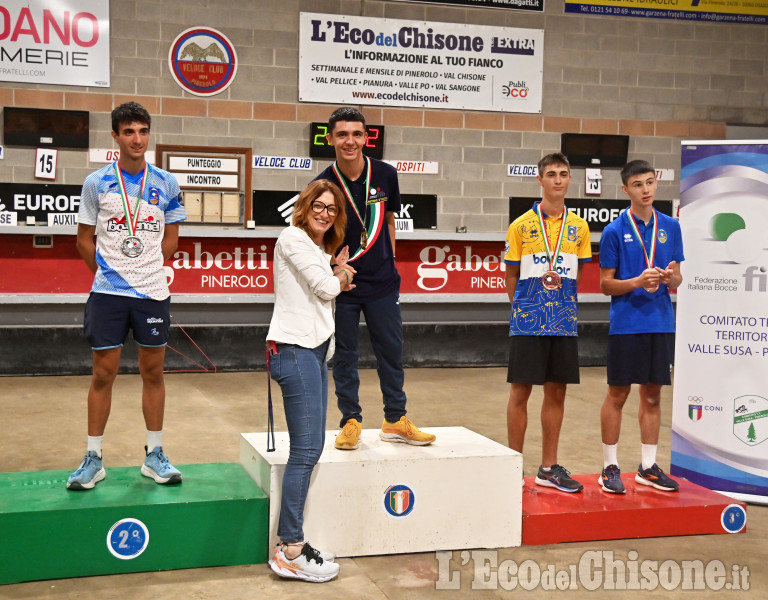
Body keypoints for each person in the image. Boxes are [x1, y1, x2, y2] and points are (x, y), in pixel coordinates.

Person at [67, 102, 187, 490]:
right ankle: (93, 458)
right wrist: (110, 273)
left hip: (152, 292)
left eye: (143, 131)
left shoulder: (166, 182)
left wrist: (146, 267)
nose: (137, 139)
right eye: (129, 131)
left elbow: (171, 237)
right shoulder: (96, 183)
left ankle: (154, 455)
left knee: (153, 371)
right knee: (104, 373)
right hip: (108, 293)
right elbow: (85, 239)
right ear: (115, 136)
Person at [315, 107, 435, 450]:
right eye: (341, 134)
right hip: (345, 286)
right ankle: (350, 421)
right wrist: (332, 270)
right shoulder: (322, 184)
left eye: (356, 134)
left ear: (366, 138)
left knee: (391, 352)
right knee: (346, 356)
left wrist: (390, 261)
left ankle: (395, 419)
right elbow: (317, 238)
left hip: (383, 283)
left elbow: (391, 222)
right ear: (330, 139)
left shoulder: (385, 174)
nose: (349, 141)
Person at [266, 179, 354, 583]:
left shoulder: (317, 248)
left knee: (311, 446)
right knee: (304, 451)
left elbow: (323, 283)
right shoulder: (293, 237)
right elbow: (324, 288)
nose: (324, 213)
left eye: (332, 209)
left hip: (312, 351)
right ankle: (290, 550)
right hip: (295, 351)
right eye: (318, 205)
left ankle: (293, 543)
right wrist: (342, 276)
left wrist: (335, 267)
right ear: (304, 207)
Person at [504, 152, 592, 493]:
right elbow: (510, 275)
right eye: (551, 174)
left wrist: (558, 304)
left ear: (570, 179)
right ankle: (513, 466)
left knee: (557, 393)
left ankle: (548, 468)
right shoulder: (521, 225)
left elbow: (579, 273)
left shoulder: (579, 227)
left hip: (564, 321)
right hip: (528, 321)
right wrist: (525, 308)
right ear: (539, 180)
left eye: (564, 174)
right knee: (520, 392)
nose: (558, 179)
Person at [597, 160, 684, 494]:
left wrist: (670, 277)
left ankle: (647, 467)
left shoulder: (672, 226)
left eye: (650, 182)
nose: (646, 190)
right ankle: (609, 467)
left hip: (660, 321)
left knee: (652, 394)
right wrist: (635, 281)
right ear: (625, 190)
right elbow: (606, 285)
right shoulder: (614, 231)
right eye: (638, 184)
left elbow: (678, 277)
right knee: (618, 393)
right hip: (626, 324)